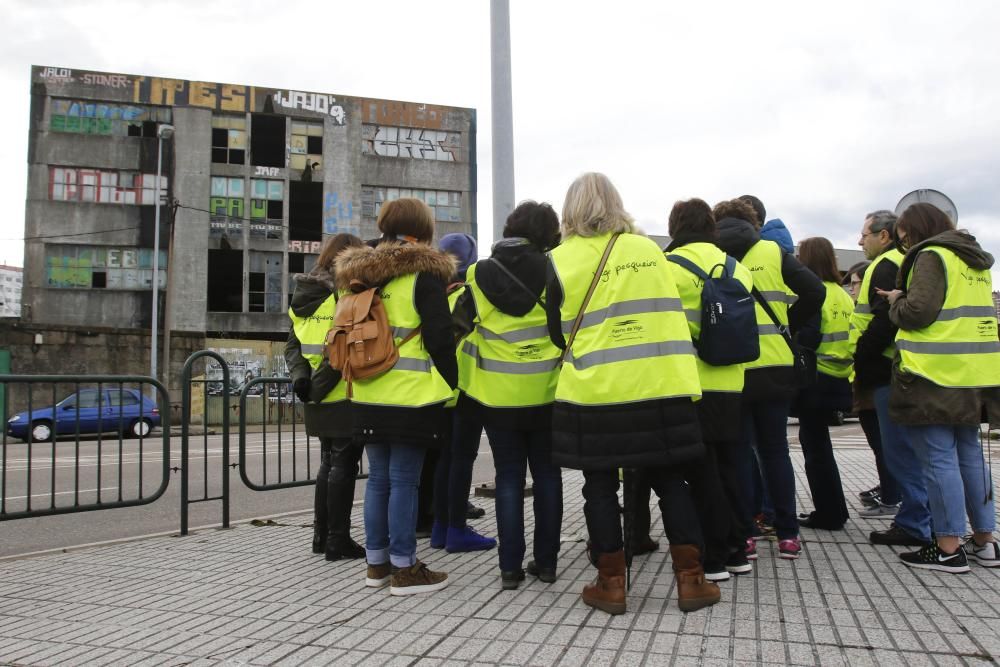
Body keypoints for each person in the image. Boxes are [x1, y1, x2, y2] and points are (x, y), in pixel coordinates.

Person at [547, 172, 718, 615]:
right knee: (670, 481)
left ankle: (611, 584)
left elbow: (554, 332)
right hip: (660, 385)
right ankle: (692, 581)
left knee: (599, 487)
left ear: (570, 211)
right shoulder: (650, 251)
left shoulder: (559, 259)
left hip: (595, 391)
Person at [334, 198, 458, 595]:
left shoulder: (357, 277)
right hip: (410, 398)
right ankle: (405, 568)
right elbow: (439, 337)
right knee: (405, 481)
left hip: (367, 391)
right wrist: (454, 381)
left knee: (378, 481)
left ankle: (377, 566)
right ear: (423, 230)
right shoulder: (424, 276)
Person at [877, 202, 999, 572]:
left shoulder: (931, 255)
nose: (904, 246)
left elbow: (918, 313)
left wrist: (897, 301)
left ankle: (947, 547)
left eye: (904, 239)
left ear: (915, 231)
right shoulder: (973, 261)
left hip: (933, 373)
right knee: (970, 456)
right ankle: (985, 542)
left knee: (938, 458)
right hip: (972, 371)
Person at [457, 201, 563, 589]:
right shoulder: (557, 269)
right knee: (549, 478)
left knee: (508, 480)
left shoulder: (476, 273)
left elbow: (460, 328)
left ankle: (509, 569)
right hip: (548, 392)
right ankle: (547, 564)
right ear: (547, 234)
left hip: (498, 396)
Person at [714, 197, 824, 561]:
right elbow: (815, 291)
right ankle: (788, 535)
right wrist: (786, 326)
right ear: (752, 222)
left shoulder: (712, 253)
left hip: (733, 369)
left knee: (740, 452)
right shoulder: (773, 252)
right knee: (776, 450)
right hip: (776, 365)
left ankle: (746, 533)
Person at [664, 198, 755, 580]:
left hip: (691, 383)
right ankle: (738, 550)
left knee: (701, 474)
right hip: (732, 382)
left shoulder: (669, 269)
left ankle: (712, 557)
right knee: (733, 467)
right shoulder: (738, 268)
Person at [285, 232, 366, 561]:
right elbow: (341, 349)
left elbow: (293, 346)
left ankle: (321, 535)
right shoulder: (345, 295)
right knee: (343, 466)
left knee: (327, 465)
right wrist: (317, 386)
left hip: (313, 394)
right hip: (341, 390)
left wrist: (302, 380)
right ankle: (337, 539)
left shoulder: (303, 294)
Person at [850, 211, 929, 544]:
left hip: (886, 371)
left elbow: (883, 322)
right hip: (901, 368)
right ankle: (921, 519)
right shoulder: (904, 261)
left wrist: (862, 353)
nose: (859, 241)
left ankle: (915, 524)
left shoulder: (885, 266)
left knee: (899, 451)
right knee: (908, 450)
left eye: (865, 234)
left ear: (884, 236)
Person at [429, 232, 496, 553]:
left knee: (445, 459)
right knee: (462, 459)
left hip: (438, 388)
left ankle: (441, 527)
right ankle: (457, 529)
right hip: (467, 386)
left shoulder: (433, 293)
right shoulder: (469, 293)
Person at [794, 237, 854, 530]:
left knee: (815, 449)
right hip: (841, 376)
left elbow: (810, 337)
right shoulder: (842, 294)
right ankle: (836, 510)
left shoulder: (815, 293)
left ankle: (829, 513)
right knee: (822, 447)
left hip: (817, 378)